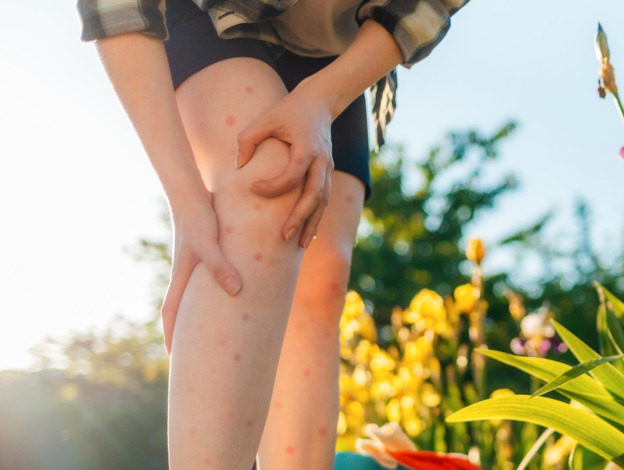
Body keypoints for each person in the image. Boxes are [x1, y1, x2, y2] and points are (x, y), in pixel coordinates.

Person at [77, 1, 468, 469]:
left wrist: (324, 97)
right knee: (271, 179)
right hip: (207, 11)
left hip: (337, 39)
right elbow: (118, 9)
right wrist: (187, 200)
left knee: (322, 273)